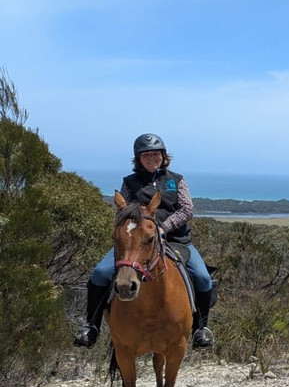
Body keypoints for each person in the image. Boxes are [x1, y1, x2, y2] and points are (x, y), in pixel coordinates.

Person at [74, 133, 216, 349]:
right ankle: (91, 326)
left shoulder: (176, 180)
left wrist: (163, 227)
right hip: (137, 243)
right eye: (146, 155)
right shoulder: (129, 183)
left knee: (203, 277)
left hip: (177, 241)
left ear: (163, 156)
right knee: (100, 274)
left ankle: (201, 328)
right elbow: (124, 212)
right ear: (138, 158)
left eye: (156, 154)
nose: (152, 158)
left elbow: (187, 209)